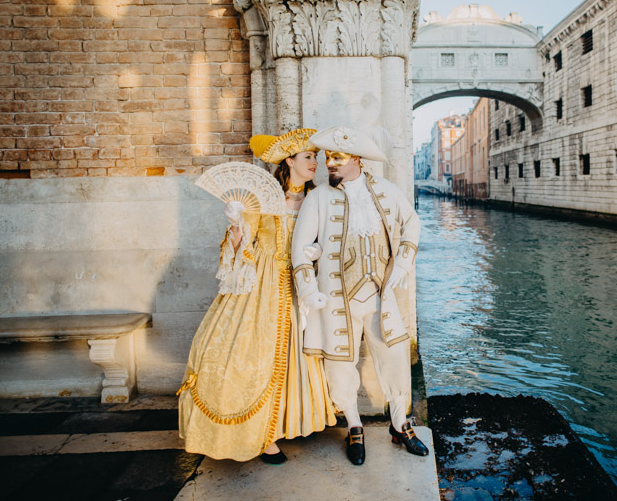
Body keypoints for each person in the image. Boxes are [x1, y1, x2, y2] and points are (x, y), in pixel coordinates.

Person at [178, 128, 336, 463]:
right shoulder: (262, 199)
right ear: (289, 161)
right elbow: (241, 250)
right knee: (252, 356)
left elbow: (332, 243)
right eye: (308, 157)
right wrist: (237, 225)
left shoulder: (318, 198)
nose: (315, 164)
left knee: (298, 354)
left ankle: (287, 423)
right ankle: (262, 437)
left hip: (301, 286)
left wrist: (318, 250)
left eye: (317, 158)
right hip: (262, 288)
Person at [291, 125, 429, 466]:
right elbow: (299, 249)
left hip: (381, 294)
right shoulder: (317, 197)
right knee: (340, 364)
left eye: (336, 158)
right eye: (327, 158)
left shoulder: (386, 190)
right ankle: (354, 426)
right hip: (335, 298)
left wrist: (403, 263)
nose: (329, 165)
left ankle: (400, 423)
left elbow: (412, 223)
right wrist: (309, 290)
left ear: (356, 159)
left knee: (395, 355)